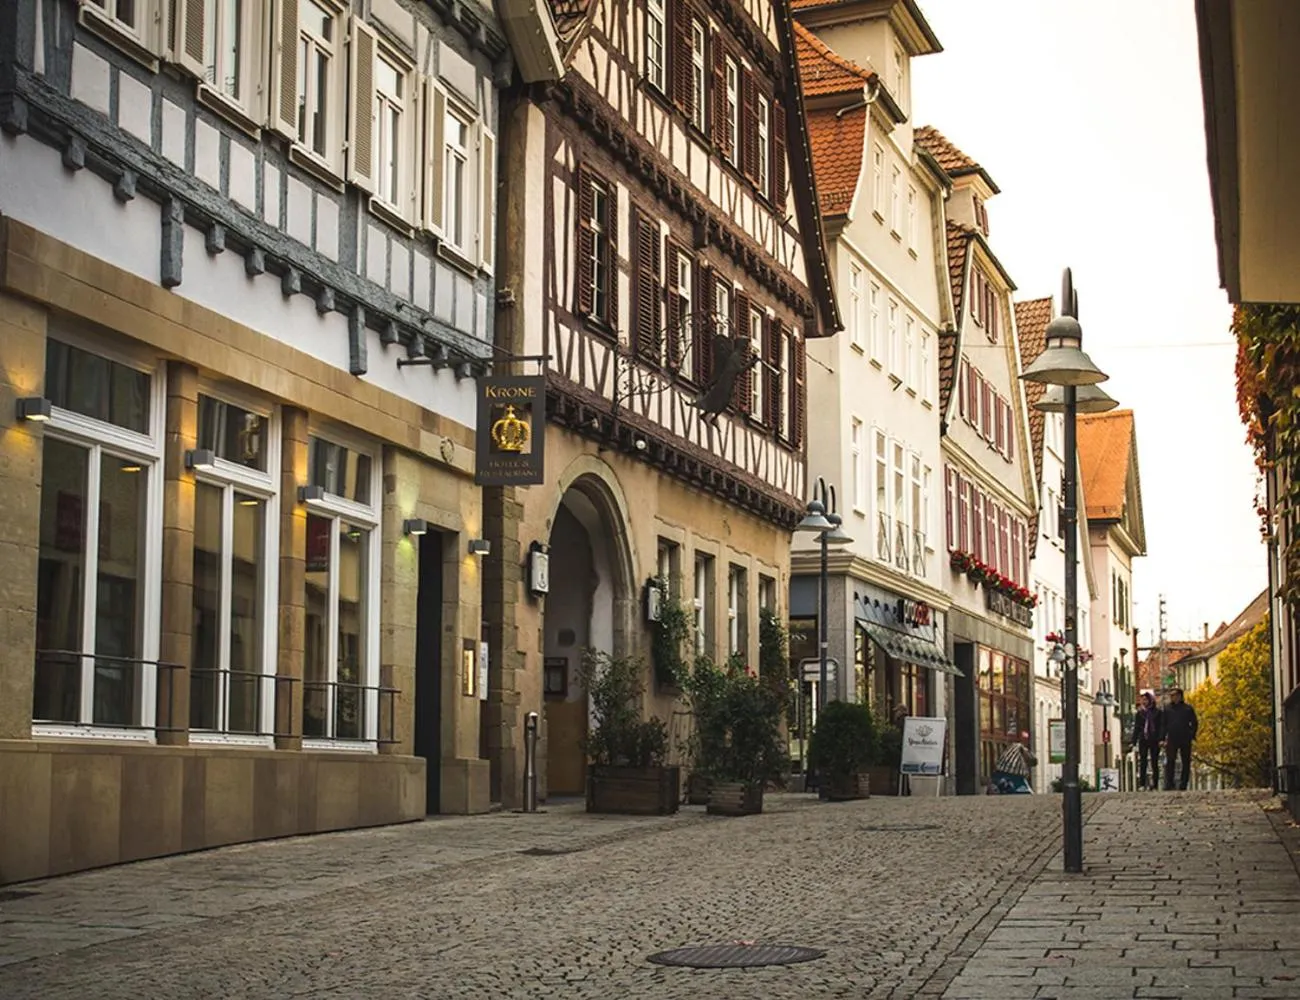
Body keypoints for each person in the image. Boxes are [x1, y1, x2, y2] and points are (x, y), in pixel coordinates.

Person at [1162, 688, 1198, 791]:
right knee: (1170, 761)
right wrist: (1162, 738)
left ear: (1180, 696)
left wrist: (1192, 734)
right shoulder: (1167, 709)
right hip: (1172, 738)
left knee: (1185, 761)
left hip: (1185, 737)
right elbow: (1163, 724)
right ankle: (1169, 783)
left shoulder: (1187, 709)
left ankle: (1183, 784)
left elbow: (1194, 722)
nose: (1172, 697)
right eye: (1171, 695)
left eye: (1174, 695)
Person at [1132, 691, 1163, 790]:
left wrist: (1161, 738)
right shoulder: (1140, 714)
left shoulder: (1158, 712)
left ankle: (1155, 784)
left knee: (1154, 762)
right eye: (1142, 700)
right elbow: (1136, 728)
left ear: (1151, 700)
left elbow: (1160, 727)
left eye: (1146, 700)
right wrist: (1133, 741)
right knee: (1143, 762)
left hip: (1154, 739)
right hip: (1143, 739)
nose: (1144, 702)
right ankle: (1142, 784)